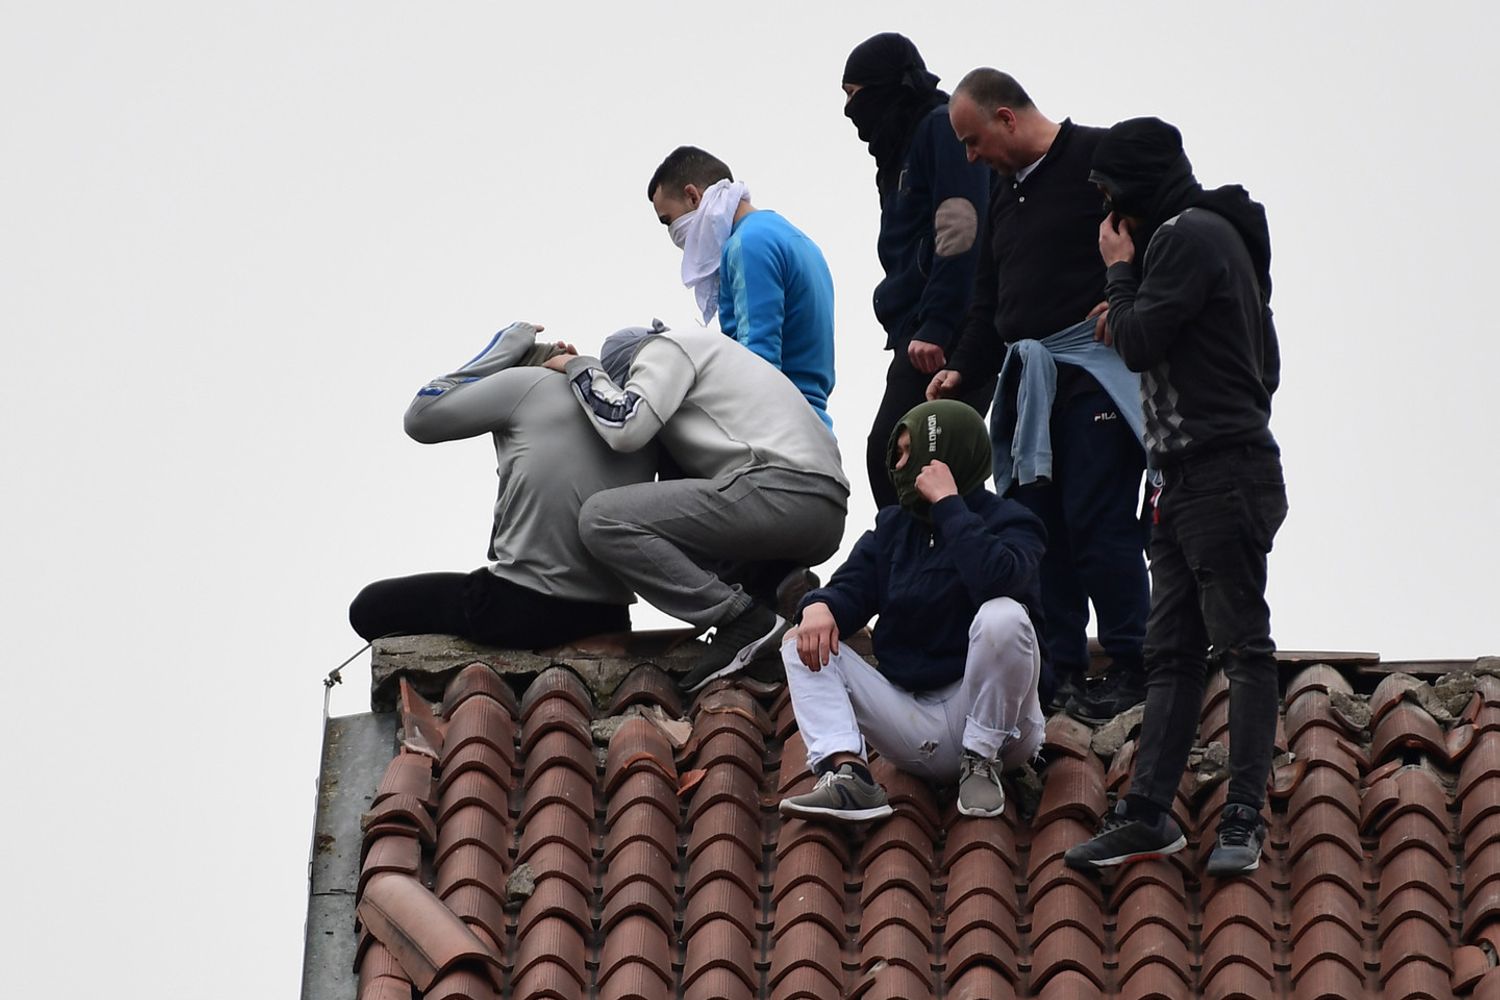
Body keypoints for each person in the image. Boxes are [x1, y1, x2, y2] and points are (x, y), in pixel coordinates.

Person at [1064, 117, 1286, 877]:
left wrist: (1122, 280)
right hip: (1189, 481)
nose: (1104, 215)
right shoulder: (1213, 240)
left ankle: (1244, 818)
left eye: (1106, 194)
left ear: (1134, 186)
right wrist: (1141, 311)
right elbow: (1260, 362)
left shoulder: (1184, 237)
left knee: (1242, 649)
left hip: (1220, 476)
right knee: (1173, 655)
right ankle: (1148, 815)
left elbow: (1142, 342)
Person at [932, 67, 1150, 721]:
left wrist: (1127, 296)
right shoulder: (1004, 194)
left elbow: (1159, 241)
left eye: (973, 141)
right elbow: (990, 300)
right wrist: (962, 371)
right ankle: (1061, 672)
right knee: (1035, 524)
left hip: (1094, 369)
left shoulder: (1098, 157)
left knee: (1097, 515)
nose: (971, 157)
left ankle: (1134, 664)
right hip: (1028, 383)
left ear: (1005, 118)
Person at [776, 400, 1047, 822]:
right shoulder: (893, 529)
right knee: (800, 640)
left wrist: (950, 505)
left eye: (908, 452)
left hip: (1001, 724)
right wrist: (819, 606)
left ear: (940, 456)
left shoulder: (1013, 521)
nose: (899, 466)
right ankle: (848, 774)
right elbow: (851, 588)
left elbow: (1000, 580)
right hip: (918, 728)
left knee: (1004, 616)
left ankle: (981, 760)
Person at [543, 323, 849, 692]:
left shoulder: (665, 349)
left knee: (603, 518)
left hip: (781, 491)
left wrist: (582, 369)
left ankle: (743, 618)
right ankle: (776, 585)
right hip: (822, 512)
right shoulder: (718, 362)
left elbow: (626, 427)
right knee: (674, 493)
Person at [348, 322, 655, 648]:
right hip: (611, 617)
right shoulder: (638, 417)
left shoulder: (528, 383)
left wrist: (502, 348)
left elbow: (421, 418)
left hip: (525, 607)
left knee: (369, 606)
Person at [839, 33, 995, 508]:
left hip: (947, 329)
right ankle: (925, 572)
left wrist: (938, 323)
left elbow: (961, 225)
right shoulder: (897, 151)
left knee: (904, 456)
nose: (850, 111)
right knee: (905, 462)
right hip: (916, 324)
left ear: (889, 85)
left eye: (856, 95)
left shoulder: (939, 128)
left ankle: (956, 570)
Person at [646, 146, 837, 429]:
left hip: (781, 434)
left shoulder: (747, 244)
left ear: (692, 196)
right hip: (813, 426)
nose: (672, 235)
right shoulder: (788, 235)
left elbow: (757, 365)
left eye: (668, 221)